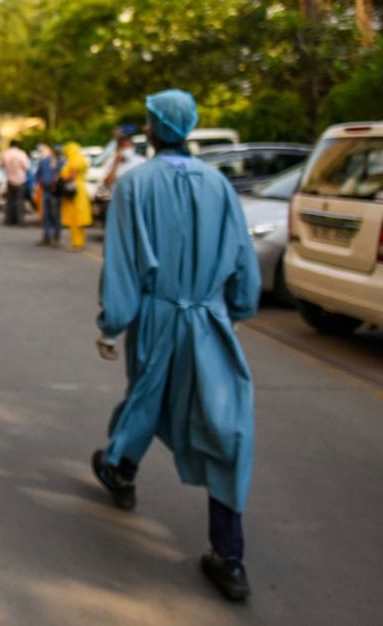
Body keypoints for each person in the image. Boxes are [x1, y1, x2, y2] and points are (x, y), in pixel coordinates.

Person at [91, 89, 260, 602]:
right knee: (226, 427)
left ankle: (120, 468)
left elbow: (120, 264)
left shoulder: (134, 185)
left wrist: (111, 324)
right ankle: (229, 556)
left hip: (157, 318)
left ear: (150, 126)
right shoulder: (219, 186)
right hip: (208, 321)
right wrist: (233, 309)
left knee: (149, 395)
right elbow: (243, 263)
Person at [59, 142, 92, 250]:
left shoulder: (75, 160)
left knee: (75, 217)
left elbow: (72, 175)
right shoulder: (79, 159)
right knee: (77, 217)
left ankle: (77, 243)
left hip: (74, 190)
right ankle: (77, 242)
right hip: (78, 190)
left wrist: (62, 180)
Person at [34, 143, 63, 246]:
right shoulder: (45, 161)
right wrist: (41, 183)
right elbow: (38, 175)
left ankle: (56, 238)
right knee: (46, 215)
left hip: (56, 192)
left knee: (56, 215)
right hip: (46, 191)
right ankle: (47, 236)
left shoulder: (62, 162)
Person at [102, 124, 146, 190]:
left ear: (131, 143)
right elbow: (106, 182)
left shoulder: (141, 161)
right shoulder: (112, 160)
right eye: (121, 143)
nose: (124, 145)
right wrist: (116, 163)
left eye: (127, 141)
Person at [1, 142, 30, 226]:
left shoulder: (6, 154)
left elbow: (1, 165)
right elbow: (27, 166)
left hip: (10, 179)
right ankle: (20, 221)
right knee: (19, 201)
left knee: (10, 201)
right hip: (20, 180)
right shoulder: (21, 154)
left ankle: (8, 220)